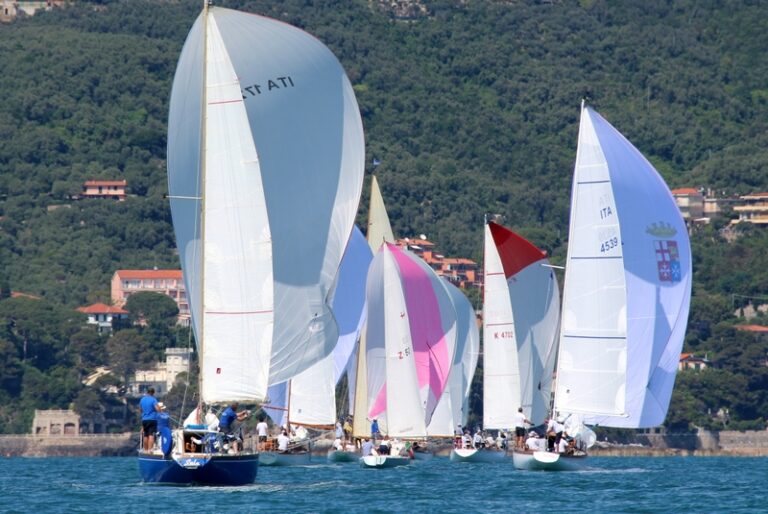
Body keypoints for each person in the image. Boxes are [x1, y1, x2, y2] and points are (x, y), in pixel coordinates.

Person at [139, 387, 160, 452]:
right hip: (152, 419)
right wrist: (160, 410)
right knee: (151, 435)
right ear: (153, 393)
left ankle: (145, 450)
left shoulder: (142, 399)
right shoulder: (153, 400)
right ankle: (150, 450)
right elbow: (157, 409)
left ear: (147, 392)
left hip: (144, 420)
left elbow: (140, 409)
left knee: (145, 435)